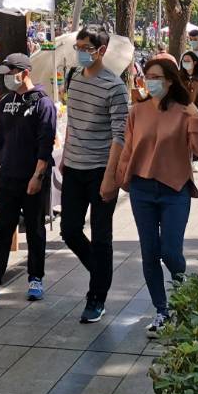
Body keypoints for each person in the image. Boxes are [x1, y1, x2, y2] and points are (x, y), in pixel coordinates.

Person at [119, 55, 198, 338]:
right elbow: (128, 148)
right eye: (147, 77)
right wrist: (120, 179)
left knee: (170, 251)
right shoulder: (138, 110)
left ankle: (183, 292)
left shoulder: (186, 112)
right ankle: (162, 310)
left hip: (175, 188)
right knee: (149, 252)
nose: (150, 82)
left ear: (170, 81)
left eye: (156, 77)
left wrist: (196, 115)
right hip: (142, 189)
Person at [60, 27, 131, 324]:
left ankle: (96, 297)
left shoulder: (115, 87)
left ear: (101, 50)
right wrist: (65, 155)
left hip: (101, 168)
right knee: (69, 230)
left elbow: (120, 135)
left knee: (102, 236)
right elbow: (72, 121)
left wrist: (110, 176)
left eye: (86, 46)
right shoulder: (74, 78)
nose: (80, 51)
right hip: (74, 167)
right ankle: (101, 272)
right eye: (78, 46)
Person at [0, 53, 57, 304]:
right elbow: (0, 140)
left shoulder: (43, 103)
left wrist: (37, 175)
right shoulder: (4, 102)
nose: (6, 78)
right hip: (8, 176)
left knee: (35, 229)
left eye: (10, 72)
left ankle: (36, 278)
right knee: (2, 229)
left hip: (33, 177)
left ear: (24, 72)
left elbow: (45, 144)